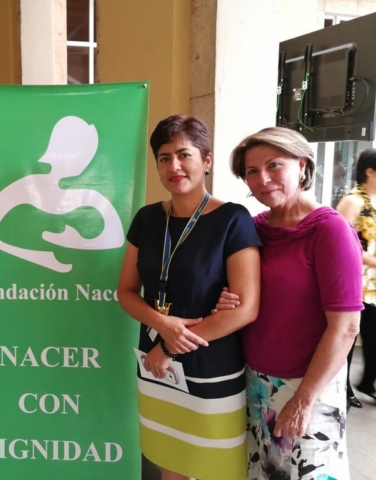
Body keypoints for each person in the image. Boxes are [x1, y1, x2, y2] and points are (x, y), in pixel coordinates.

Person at [117, 115, 261, 480]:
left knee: (218, 466)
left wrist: (169, 346)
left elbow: (245, 309)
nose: (174, 166)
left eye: (184, 155)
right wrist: (162, 325)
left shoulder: (233, 219)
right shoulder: (147, 219)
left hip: (210, 360)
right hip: (154, 357)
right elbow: (126, 291)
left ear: (206, 160)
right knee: (170, 460)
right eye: (164, 158)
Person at [223, 126, 363, 479]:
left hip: (308, 386)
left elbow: (346, 328)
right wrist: (226, 299)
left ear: (302, 165)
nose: (263, 178)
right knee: (261, 472)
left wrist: (303, 400)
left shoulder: (329, 230)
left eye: (274, 165)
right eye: (252, 171)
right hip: (255, 381)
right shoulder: (252, 228)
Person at [336, 148, 376, 407]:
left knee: (372, 337)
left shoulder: (373, 200)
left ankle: (367, 382)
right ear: (370, 171)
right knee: (348, 337)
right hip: (356, 282)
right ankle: (344, 389)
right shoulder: (353, 201)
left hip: (373, 283)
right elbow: (342, 244)